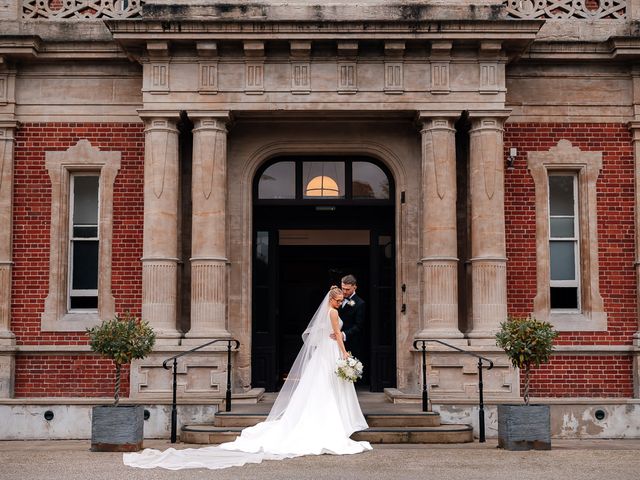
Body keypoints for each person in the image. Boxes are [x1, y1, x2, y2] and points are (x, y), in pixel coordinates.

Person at [123, 286, 371, 470]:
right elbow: (337, 336)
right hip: (331, 352)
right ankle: (331, 423)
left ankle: (327, 420)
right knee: (326, 388)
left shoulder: (329, 311)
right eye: (338, 300)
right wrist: (345, 354)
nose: (340, 303)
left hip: (324, 354)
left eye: (341, 301)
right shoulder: (332, 314)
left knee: (322, 388)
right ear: (332, 299)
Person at [334, 274, 366, 361]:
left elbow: (359, 326)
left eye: (347, 289)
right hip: (333, 341)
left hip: (350, 343)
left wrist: (343, 334)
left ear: (355, 287)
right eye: (343, 288)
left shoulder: (360, 303)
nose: (344, 291)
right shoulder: (336, 298)